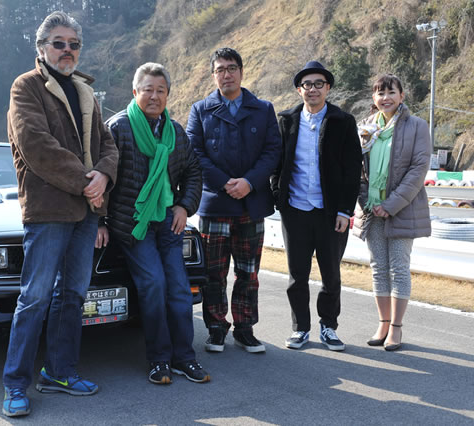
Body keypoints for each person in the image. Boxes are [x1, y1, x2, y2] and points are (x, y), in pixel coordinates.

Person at [2, 11, 118, 417]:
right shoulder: (26, 87)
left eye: (74, 44)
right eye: (59, 43)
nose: (67, 50)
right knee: (34, 298)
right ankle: (15, 383)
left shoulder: (86, 92)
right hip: (49, 208)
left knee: (73, 295)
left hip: (87, 210)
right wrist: (87, 180)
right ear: (41, 48)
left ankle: (59, 372)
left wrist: (104, 174)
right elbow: (36, 145)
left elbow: (108, 144)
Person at [97, 62, 209, 384]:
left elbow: (193, 172)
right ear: (135, 92)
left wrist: (184, 206)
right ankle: (159, 359)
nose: (154, 96)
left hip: (167, 221)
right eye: (148, 90)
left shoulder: (174, 131)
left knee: (179, 289)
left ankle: (184, 357)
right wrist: (99, 221)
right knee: (154, 284)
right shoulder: (118, 128)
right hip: (133, 226)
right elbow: (100, 175)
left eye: (161, 90)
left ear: (168, 94)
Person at [186, 47, 282, 353]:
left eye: (231, 68)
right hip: (216, 203)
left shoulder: (263, 109)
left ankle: (245, 329)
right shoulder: (200, 110)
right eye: (220, 70)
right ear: (213, 75)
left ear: (241, 71)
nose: (226, 74)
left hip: (251, 204)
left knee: (248, 272)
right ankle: (216, 328)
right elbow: (194, 153)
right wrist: (225, 183)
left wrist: (249, 183)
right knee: (214, 273)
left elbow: (272, 151)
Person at [270, 61, 362, 352]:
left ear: (328, 88)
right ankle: (300, 328)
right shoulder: (286, 120)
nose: (313, 89)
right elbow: (276, 162)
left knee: (331, 274)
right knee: (297, 275)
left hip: (330, 213)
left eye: (318, 84)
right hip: (295, 209)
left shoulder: (343, 121)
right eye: (307, 84)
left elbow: (353, 170)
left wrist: (345, 210)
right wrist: (278, 195)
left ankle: (328, 326)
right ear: (299, 90)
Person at [353, 74, 431, 351]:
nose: (385, 98)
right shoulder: (365, 127)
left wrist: (391, 204)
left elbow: (418, 169)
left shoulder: (417, 126)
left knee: (398, 268)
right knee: (378, 268)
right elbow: (357, 168)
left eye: (391, 92)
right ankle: (383, 323)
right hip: (371, 209)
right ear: (373, 97)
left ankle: (396, 328)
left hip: (402, 208)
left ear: (402, 96)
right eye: (380, 93)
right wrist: (366, 201)